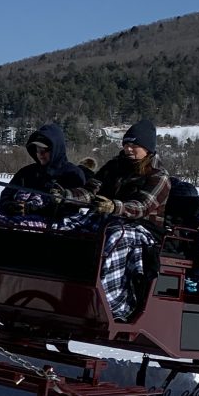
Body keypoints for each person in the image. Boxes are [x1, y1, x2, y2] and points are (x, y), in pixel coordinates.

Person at [60, 118, 171, 320]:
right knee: (66, 225)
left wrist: (114, 206)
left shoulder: (158, 176)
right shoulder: (114, 167)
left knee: (115, 235)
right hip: (107, 218)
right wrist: (66, 195)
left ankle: (109, 300)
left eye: (134, 145)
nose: (128, 149)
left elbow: (142, 207)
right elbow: (90, 191)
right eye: (126, 144)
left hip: (141, 229)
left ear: (147, 148)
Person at [0, 123, 90, 227]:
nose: (40, 154)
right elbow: (6, 196)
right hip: (15, 217)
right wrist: (11, 206)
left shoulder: (73, 174)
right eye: (37, 150)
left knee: (20, 226)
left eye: (44, 150)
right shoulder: (26, 173)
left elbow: (75, 205)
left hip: (52, 224)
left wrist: (34, 208)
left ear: (56, 149)